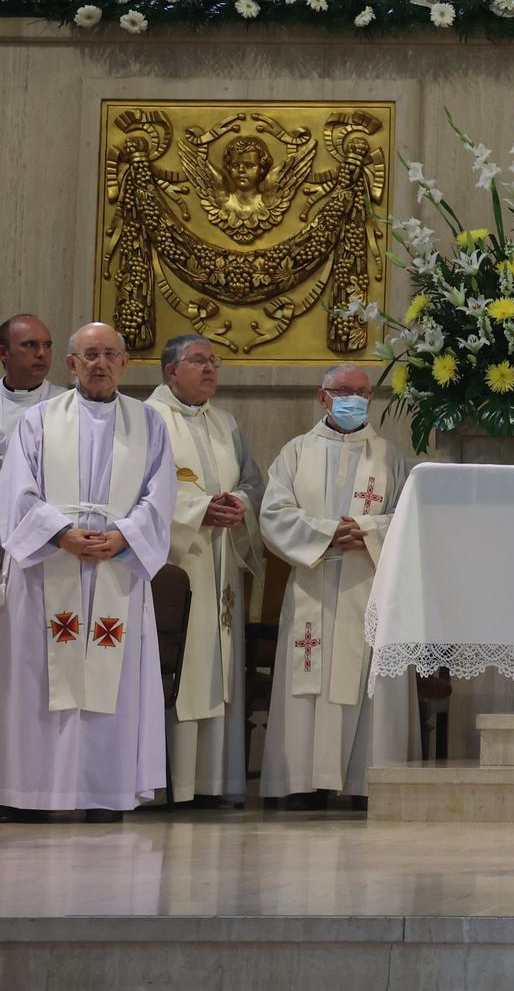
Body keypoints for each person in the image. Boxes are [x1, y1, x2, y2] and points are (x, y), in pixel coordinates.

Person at [0, 323, 175, 820]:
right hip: (49, 569)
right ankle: (30, 794)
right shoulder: (37, 421)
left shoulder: (149, 423)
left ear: (124, 363)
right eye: (89, 355)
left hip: (115, 566)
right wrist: (61, 533)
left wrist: (124, 536)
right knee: (38, 680)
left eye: (109, 355)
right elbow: (16, 492)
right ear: (72, 364)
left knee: (110, 681)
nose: (99, 363)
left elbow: (159, 497)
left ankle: (105, 792)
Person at [260, 365, 413, 809]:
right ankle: (302, 782)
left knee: (366, 681)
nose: (354, 399)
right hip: (314, 581)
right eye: (344, 391)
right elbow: (274, 514)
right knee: (307, 677)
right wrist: (328, 533)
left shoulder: (390, 457)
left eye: (363, 392)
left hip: (369, 585)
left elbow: (407, 518)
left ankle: (367, 783)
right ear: (322, 397)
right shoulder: (294, 453)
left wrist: (364, 529)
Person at [146, 333, 264, 808]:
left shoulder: (227, 423)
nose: (211, 368)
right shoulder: (147, 420)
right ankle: (168, 785)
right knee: (183, 666)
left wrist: (238, 506)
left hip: (221, 564)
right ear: (171, 370)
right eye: (199, 361)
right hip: (177, 563)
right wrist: (197, 510)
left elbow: (253, 481)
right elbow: (138, 489)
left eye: (214, 361)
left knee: (217, 666)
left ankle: (212, 782)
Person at [0, 314, 58, 459]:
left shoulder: (65, 404)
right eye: (30, 345)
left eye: (47, 345)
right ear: (3, 353)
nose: (41, 353)